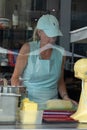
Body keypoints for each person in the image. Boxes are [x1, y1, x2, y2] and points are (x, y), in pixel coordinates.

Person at [11, 14, 77, 105]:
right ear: (39, 32)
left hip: (52, 106)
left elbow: (60, 81)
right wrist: (19, 88)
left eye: (54, 37)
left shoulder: (60, 53)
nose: (51, 40)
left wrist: (66, 97)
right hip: (29, 104)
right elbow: (15, 78)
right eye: (48, 36)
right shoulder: (28, 49)